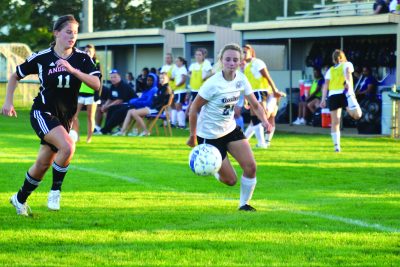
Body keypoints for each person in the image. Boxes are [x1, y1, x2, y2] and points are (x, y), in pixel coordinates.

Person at [1, 15, 101, 216]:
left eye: (75, 32)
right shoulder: (42, 57)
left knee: (43, 163)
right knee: (68, 146)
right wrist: (8, 101)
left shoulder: (83, 58)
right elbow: (15, 75)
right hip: (42, 112)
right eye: (68, 32)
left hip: (65, 118)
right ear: (56, 33)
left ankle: (19, 199)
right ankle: (55, 191)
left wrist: (74, 71)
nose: (72, 36)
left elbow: (96, 84)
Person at [186, 43, 271, 212]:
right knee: (230, 181)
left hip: (230, 130)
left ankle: (244, 205)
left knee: (251, 167)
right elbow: (193, 109)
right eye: (228, 59)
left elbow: (254, 103)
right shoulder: (212, 84)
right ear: (221, 61)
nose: (231, 63)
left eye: (235, 60)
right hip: (210, 136)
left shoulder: (241, 78)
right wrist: (192, 135)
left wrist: (265, 121)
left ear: (240, 62)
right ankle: (211, 167)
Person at [242, 44, 285, 148]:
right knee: (256, 118)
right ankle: (254, 142)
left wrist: (275, 91)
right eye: (241, 52)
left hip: (263, 92)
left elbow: (267, 77)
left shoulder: (257, 63)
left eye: (245, 52)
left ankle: (263, 142)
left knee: (265, 116)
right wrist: (245, 99)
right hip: (253, 93)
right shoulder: (246, 66)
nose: (243, 54)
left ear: (251, 52)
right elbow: (246, 84)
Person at [320, 49, 362, 152]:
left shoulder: (330, 70)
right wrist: (348, 83)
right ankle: (337, 147)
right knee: (357, 115)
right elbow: (348, 73)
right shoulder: (347, 64)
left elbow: (325, 86)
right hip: (344, 94)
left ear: (333, 59)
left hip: (334, 96)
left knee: (335, 122)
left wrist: (323, 99)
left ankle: (336, 146)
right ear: (342, 57)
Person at [115, 72, 172, 136]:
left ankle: (146, 131)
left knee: (134, 113)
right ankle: (122, 131)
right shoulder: (160, 88)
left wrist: (154, 101)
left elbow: (161, 102)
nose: (161, 80)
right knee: (130, 111)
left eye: (163, 78)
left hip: (157, 110)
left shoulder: (166, 89)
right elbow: (155, 99)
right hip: (152, 107)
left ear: (167, 79)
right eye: (160, 78)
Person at [71, 44, 101, 143]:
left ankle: (89, 138)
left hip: (92, 94)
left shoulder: (96, 63)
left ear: (93, 53)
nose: (87, 53)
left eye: (90, 51)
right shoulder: (81, 62)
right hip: (80, 93)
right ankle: (77, 136)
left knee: (90, 116)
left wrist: (97, 94)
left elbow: (99, 80)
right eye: (86, 51)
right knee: (73, 115)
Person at [186, 48, 212, 119]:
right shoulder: (193, 65)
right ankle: (198, 124)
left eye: (199, 55)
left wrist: (204, 77)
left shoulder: (206, 63)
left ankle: (202, 123)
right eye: (196, 55)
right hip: (193, 89)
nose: (197, 56)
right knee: (193, 107)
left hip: (202, 90)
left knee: (201, 108)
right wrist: (192, 77)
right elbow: (188, 73)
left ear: (203, 56)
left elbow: (211, 73)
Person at [170, 56, 188, 128]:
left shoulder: (183, 69)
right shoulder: (177, 69)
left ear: (181, 62)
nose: (176, 62)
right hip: (177, 91)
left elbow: (183, 80)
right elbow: (173, 78)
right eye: (176, 61)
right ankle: (173, 123)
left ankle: (182, 124)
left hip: (180, 91)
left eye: (177, 61)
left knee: (178, 107)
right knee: (174, 106)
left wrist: (176, 86)